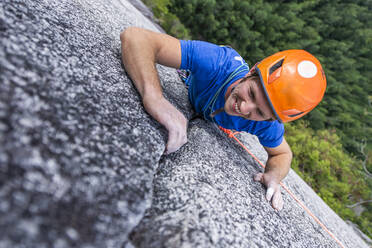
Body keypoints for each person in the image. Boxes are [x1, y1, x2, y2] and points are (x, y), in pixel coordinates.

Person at [120, 27, 326, 211]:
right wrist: (155, 97)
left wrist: (274, 176)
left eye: (260, 112)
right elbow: (135, 37)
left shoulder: (265, 123)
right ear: (251, 72)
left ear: (270, 118)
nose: (244, 108)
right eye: (252, 93)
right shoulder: (218, 62)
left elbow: (282, 153)